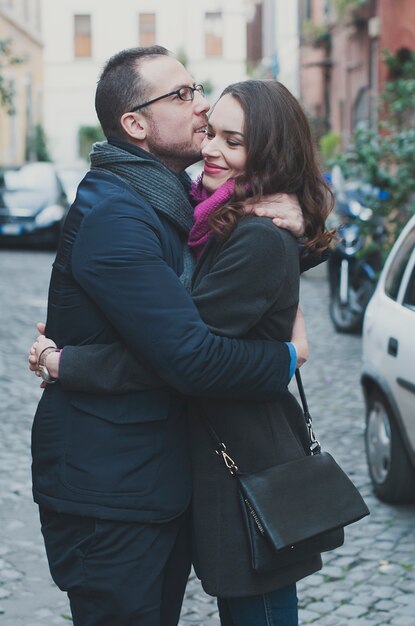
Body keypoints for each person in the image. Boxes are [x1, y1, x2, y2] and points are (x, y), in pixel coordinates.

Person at [30, 77, 335, 625]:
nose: (210, 146)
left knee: (260, 611)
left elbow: (188, 354)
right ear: (135, 124)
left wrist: (65, 362)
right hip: (208, 459)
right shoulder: (205, 215)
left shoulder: (253, 230)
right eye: (211, 130)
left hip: (246, 459)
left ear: (268, 152)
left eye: (232, 140)